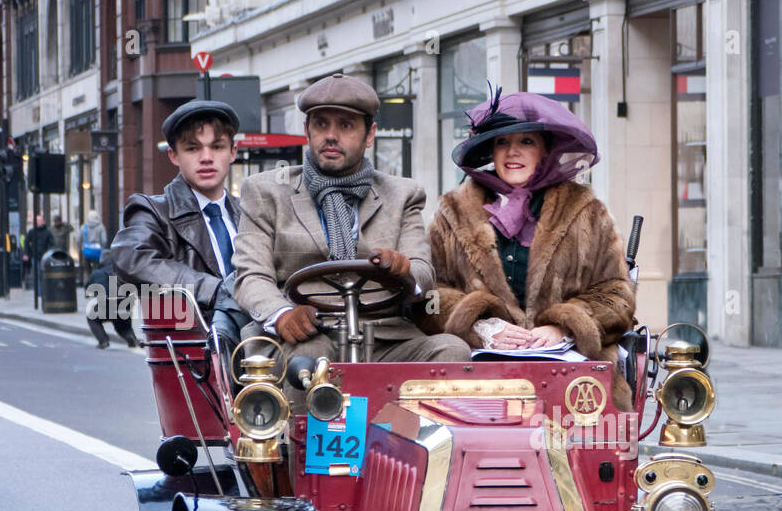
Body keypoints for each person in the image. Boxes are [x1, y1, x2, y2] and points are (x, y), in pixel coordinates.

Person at [233, 72, 468, 369]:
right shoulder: (265, 191)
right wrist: (281, 314)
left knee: (453, 351)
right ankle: (302, 418)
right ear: (307, 130)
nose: (331, 135)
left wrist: (403, 270)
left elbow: (423, 273)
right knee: (312, 359)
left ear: (370, 135)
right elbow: (251, 276)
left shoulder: (403, 194)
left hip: (383, 338)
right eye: (321, 124)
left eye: (346, 126)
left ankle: (417, 418)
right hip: (301, 338)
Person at [425, 88, 636, 410]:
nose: (513, 152)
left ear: (545, 151)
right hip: (479, 380)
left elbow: (617, 295)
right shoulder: (452, 212)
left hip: (572, 383)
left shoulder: (586, 210)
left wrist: (565, 326)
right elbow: (426, 294)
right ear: (489, 151)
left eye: (526, 142)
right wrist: (481, 325)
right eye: (502, 142)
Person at [109, 99, 249, 348]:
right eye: (193, 149)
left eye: (217, 147)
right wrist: (216, 290)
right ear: (174, 155)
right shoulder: (153, 211)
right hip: (195, 359)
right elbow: (131, 258)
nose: (206, 158)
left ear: (233, 152)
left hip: (260, 352)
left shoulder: (250, 212)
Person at [85, 247, 140, 349]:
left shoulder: (97, 273)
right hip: (125, 305)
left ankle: (103, 340)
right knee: (122, 323)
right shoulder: (123, 272)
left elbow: (87, 289)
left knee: (92, 317)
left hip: (106, 306)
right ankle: (131, 337)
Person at [79, 210, 107, 281]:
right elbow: (104, 240)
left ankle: (87, 286)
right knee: (97, 269)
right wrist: (102, 248)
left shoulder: (83, 227)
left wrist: (81, 248)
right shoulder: (101, 227)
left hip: (86, 251)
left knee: (86, 270)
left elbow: (78, 239)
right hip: (97, 252)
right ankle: (96, 286)